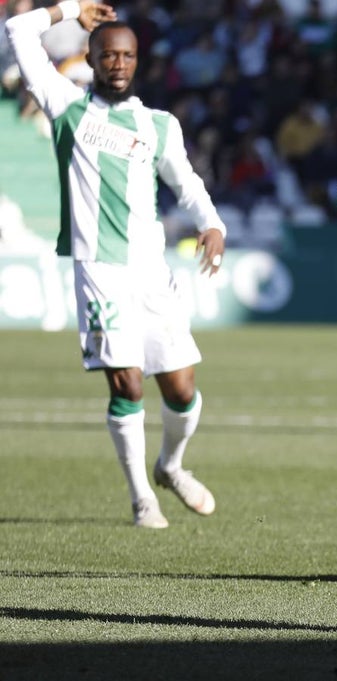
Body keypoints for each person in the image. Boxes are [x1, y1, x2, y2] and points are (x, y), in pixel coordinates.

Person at [6, 1, 225, 528]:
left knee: (182, 390)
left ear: (137, 60)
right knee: (127, 385)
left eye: (126, 55)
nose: (118, 64)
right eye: (107, 55)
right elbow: (16, 29)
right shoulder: (65, 104)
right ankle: (140, 497)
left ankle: (170, 466)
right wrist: (70, 9)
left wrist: (212, 224)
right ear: (91, 58)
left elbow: (186, 183)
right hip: (99, 270)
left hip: (151, 272)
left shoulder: (158, 125)